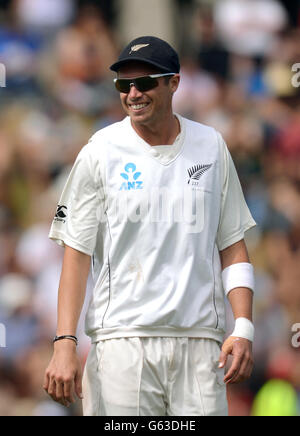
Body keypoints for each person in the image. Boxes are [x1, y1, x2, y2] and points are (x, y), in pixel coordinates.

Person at [43, 36, 256, 416]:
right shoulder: (100, 150)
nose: (133, 93)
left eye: (145, 83)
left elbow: (232, 245)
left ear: (174, 82)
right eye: (124, 85)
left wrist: (243, 327)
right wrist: (64, 343)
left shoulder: (211, 146)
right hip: (122, 342)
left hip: (200, 343)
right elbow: (75, 254)